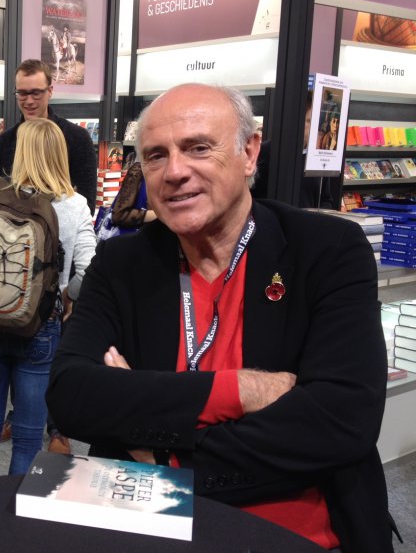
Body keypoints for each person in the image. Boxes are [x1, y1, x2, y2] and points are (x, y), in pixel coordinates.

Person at [46, 83, 395, 553]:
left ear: (249, 153)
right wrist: (240, 391)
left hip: (296, 535)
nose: (174, 172)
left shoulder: (326, 251)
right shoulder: (121, 264)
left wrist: (165, 454)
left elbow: (341, 421)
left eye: (198, 148)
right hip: (148, 529)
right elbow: (71, 396)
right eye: (155, 155)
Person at [0, 118, 96, 478]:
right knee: (27, 438)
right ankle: (15, 511)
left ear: (20, 151)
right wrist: (67, 296)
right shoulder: (75, 204)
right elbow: (89, 270)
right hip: (41, 326)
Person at [0, 59, 97, 213]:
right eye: (22, 93)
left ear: (50, 91)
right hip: (11, 226)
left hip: (61, 227)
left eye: (36, 93)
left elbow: (86, 204)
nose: (29, 101)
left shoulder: (77, 138)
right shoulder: (2, 143)